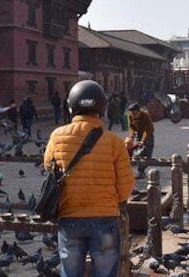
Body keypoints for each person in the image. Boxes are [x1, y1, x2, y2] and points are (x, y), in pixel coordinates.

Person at [43, 80, 134, 277]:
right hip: (104, 219)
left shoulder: (57, 136)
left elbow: (49, 168)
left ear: (71, 106)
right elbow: (126, 187)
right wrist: (109, 200)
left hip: (69, 218)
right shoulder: (114, 142)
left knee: (70, 272)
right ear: (102, 107)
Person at [125, 103, 154, 179]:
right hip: (138, 133)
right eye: (132, 113)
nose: (133, 115)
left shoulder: (145, 115)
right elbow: (131, 127)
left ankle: (142, 171)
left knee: (147, 153)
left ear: (139, 111)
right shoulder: (130, 115)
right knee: (137, 152)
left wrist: (143, 141)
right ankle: (135, 170)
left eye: (135, 113)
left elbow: (147, 131)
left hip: (148, 134)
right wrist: (131, 137)